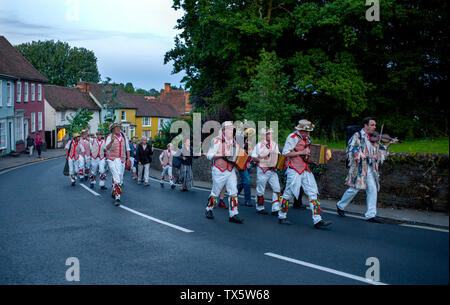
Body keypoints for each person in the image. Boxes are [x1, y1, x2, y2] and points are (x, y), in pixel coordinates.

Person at [336, 117, 398, 223]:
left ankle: (370, 215)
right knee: (354, 189)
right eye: (372, 125)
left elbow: (381, 150)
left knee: (373, 189)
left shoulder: (373, 139)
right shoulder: (357, 136)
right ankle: (340, 205)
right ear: (366, 125)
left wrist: (390, 144)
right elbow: (351, 150)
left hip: (370, 168)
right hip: (359, 167)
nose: (374, 127)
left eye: (375, 125)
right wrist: (362, 155)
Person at [279, 119, 332, 228]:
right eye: (306, 131)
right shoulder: (292, 137)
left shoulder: (306, 138)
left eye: (309, 132)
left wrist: (321, 157)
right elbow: (285, 153)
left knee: (313, 193)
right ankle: (282, 215)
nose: (308, 133)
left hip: (305, 169)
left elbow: (309, 155)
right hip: (294, 169)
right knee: (288, 193)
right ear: (300, 130)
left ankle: (317, 220)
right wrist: (301, 152)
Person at [205, 121, 243, 224]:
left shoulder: (234, 142)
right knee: (215, 192)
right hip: (219, 170)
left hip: (230, 170)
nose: (231, 130)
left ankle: (233, 214)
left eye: (232, 128)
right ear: (223, 130)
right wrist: (222, 154)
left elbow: (236, 157)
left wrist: (241, 161)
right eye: (229, 128)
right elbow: (209, 155)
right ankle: (209, 209)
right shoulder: (216, 140)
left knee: (233, 192)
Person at [251, 128, 282, 215]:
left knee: (277, 189)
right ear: (263, 136)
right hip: (262, 170)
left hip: (272, 170)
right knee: (260, 190)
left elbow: (279, 156)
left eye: (270, 134)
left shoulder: (274, 145)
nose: (270, 135)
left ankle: (275, 208)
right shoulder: (259, 145)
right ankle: (260, 207)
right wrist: (262, 160)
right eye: (268, 134)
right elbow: (253, 157)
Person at [105, 122, 131, 205]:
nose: (118, 129)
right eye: (116, 128)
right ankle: (117, 197)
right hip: (112, 159)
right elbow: (107, 148)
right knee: (117, 179)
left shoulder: (124, 136)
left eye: (119, 127)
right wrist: (111, 142)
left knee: (119, 176)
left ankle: (114, 191)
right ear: (113, 129)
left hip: (121, 159)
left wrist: (128, 158)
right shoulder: (109, 137)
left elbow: (127, 148)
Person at [236, 127, 255, 207]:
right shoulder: (239, 140)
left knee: (243, 181)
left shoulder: (251, 141)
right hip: (242, 163)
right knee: (246, 181)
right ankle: (248, 201)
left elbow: (251, 152)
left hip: (248, 163)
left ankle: (234, 194)